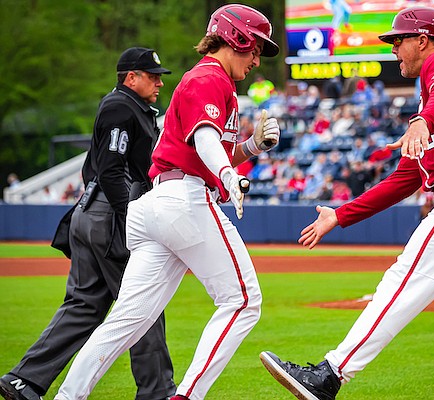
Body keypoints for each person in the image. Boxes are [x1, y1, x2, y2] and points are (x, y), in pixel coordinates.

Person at [260, 6, 434, 400]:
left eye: (398, 40)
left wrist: (424, 120)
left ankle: (330, 374)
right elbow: (404, 180)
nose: (393, 49)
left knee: (404, 279)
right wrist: (341, 213)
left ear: (422, 40)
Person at [52, 4, 280, 400]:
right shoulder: (210, 78)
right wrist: (229, 174)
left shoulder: (207, 81)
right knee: (243, 301)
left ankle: (68, 396)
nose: (257, 58)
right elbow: (207, 142)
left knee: (128, 319)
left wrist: (252, 147)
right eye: (254, 47)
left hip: (158, 205)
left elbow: (202, 149)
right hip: (184, 202)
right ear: (235, 38)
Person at [0, 47, 176, 400]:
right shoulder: (120, 106)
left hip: (93, 210)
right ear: (131, 78)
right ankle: (157, 392)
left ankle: (25, 380)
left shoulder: (125, 105)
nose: (159, 82)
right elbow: (112, 170)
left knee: (84, 305)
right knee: (143, 305)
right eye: (152, 75)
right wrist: (131, 221)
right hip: (111, 214)